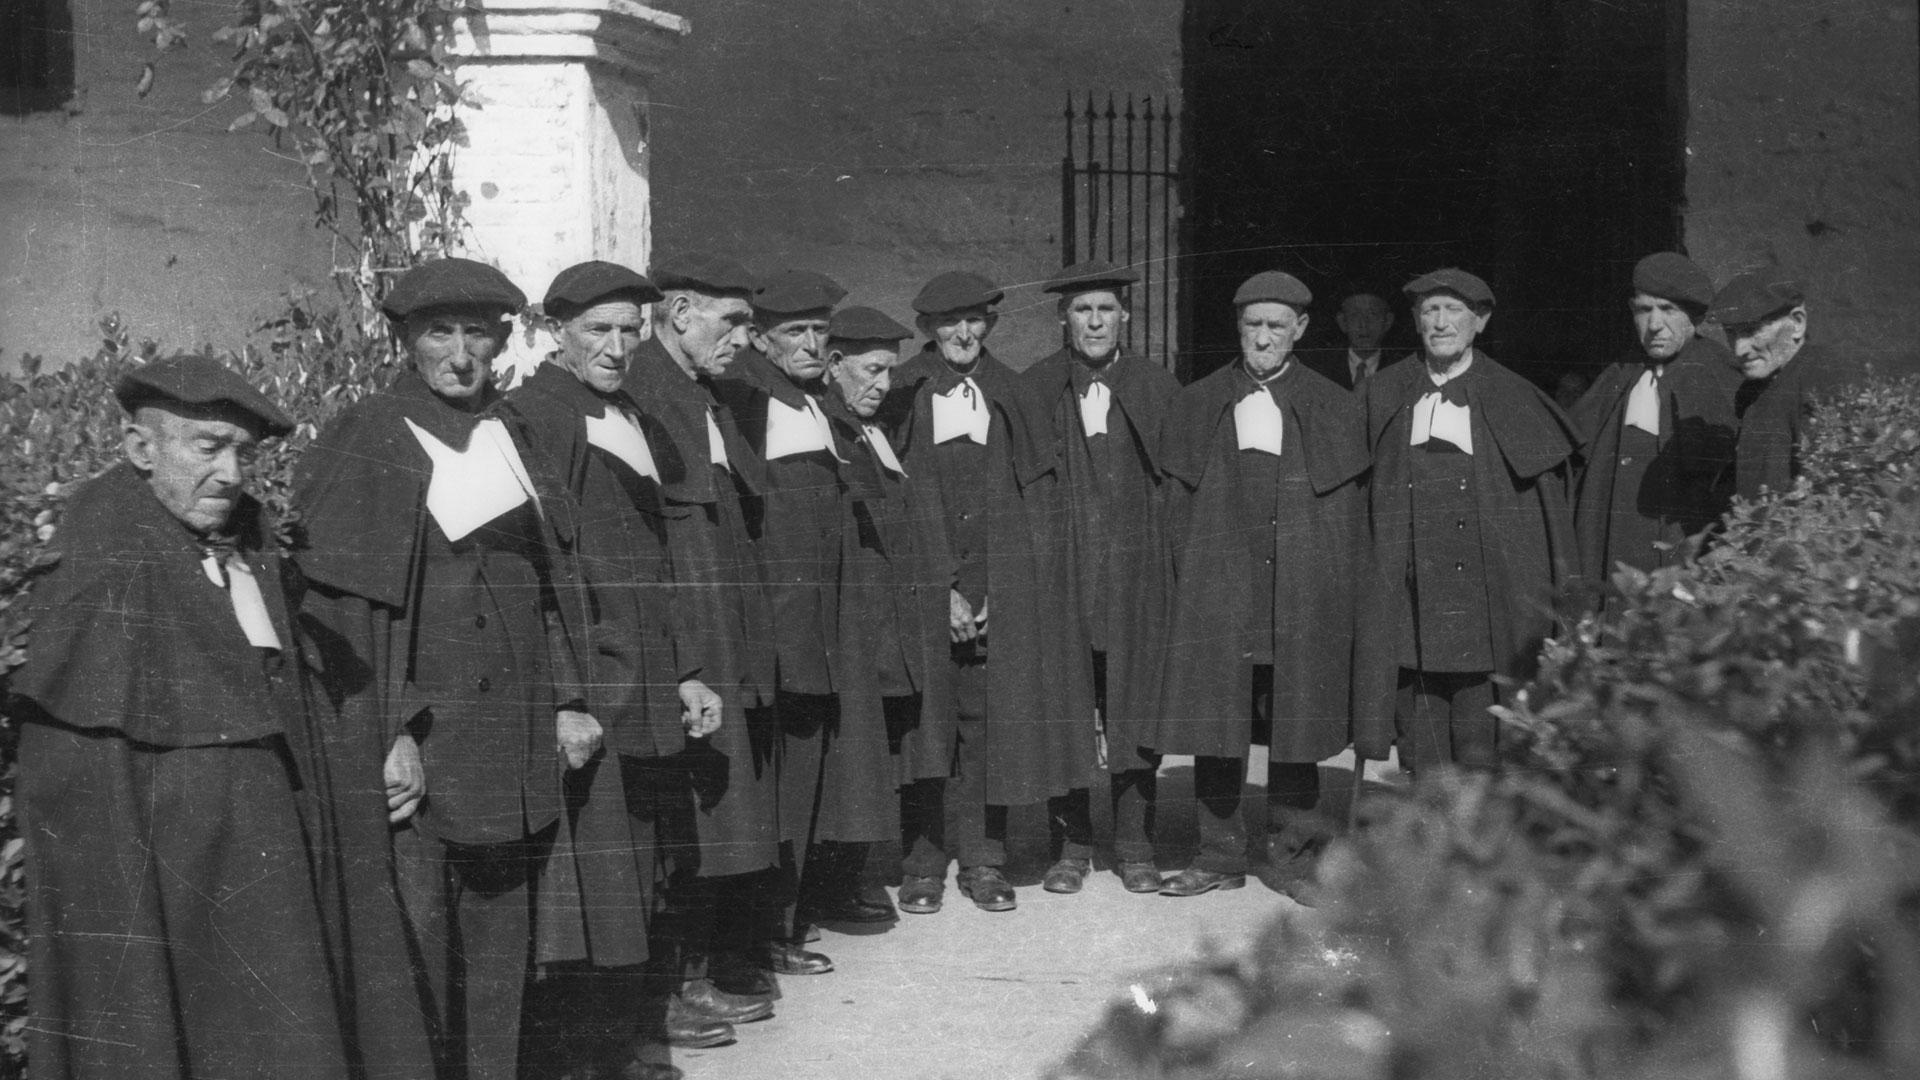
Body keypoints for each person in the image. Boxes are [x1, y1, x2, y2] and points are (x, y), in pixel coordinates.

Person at [295, 258, 597, 1080]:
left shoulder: (513, 432)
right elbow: (329, 618)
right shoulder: (369, 434)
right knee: (417, 951)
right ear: (405, 340)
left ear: (501, 342)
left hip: (512, 744)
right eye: (440, 333)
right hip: (423, 747)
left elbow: (550, 580)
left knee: (501, 949)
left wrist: (570, 698)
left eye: (478, 335)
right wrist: (384, 731)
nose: (461, 355)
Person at [13, 355, 353, 1079]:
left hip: (252, 858)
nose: (232, 474)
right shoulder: (99, 554)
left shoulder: (243, 541)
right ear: (140, 448)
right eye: (208, 448)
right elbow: (77, 778)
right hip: (170, 869)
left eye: (243, 454)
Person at [502, 260, 740, 1071]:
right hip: (595, 681)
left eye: (628, 330)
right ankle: (595, 1051)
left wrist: (687, 670)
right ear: (556, 333)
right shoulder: (539, 414)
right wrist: (569, 693)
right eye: (596, 330)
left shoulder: (627, 411)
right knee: (592, 882)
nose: (615, 345)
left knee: (642, 871)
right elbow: (546, 569)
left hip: (644, 676)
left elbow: (655, 555)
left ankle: (632, 1033)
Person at [1153, 272, 1369, 898]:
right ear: (1238, 329)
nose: (1265, 337)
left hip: (1297, 591)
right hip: (1220, 588)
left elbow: (1350, 517)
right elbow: (1174, 507)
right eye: (1254, 325)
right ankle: (1217, 855)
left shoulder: (1333, 404)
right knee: (1216, 716)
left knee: (1293, 719)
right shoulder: (1198, 402)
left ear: (1300, 329)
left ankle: (1290, 855)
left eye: (1278, 325)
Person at [885, 270, 1093, 914]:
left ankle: (982, 859)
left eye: (976, 321)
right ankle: (922, 863)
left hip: (994, 590)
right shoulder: (901, 394)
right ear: (926, 329)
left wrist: (1002, 591)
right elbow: (894, 507)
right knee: (926, 729)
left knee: (983, 727)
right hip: (922, 589)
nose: (964, 333)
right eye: (950, 322)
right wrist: (936, 591)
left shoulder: (1013, 392)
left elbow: (1037, 504)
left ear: (992, 326)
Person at [622, 252, 791, 1009]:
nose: (744, 340)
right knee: (690, 805)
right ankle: (678, 981)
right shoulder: (641, 393)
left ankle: (724, 955)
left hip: (728, 620)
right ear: (680, 311)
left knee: (729, 799)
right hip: (685, 629)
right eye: (732, 322)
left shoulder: (705, 394)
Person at [710, 268, 872, 970]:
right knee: (775, 785)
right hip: (779, 629)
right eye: (794, 333)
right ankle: (765, 933)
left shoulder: (815, 401)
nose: (811, 345)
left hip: (824, 625)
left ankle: (793, 917)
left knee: (809, 778)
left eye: (818, 333)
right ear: (764, 341)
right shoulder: (749, 398)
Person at [1357, 268, 1578, 774]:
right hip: (1411, 607)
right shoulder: (1384, 392)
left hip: (1483, 611)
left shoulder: (1514, 395)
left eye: (1453, 310)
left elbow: (1544, 522)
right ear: (1414, 322)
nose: (1439, 323)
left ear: (1480, 322)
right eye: (1429, 311)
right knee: (1422, 747)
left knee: (1482, 747)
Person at [1022, 260, 1178, 895]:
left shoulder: (1159, 388)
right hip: (1063, 572)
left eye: (1105, 310)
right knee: (1065, 706)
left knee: (1134, 705)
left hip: (1134, 574)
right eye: (1082, 311)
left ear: (1125, 317)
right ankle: (1073, 843)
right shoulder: (1035, 389)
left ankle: (1136, 841)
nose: (1094, 321)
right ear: (1063, 319)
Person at [816, 305, 956, 910]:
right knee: (858, 751)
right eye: (871, 371)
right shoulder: (827, 428)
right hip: (861, 624)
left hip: (898, 617)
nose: (883, 385)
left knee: (909, 740)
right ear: (833, 365)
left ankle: (870, 873)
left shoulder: (872, 431)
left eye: (888, 373)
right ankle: (837, 884)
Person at [1571, 253, 1742, 588]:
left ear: (1694, 316)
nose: (1653, 325)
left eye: (1667, 310)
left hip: (1677, 550)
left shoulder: (1722, 373)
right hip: (1612, 548)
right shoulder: (1621, 371)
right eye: (1643, 310)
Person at [1709, 270, 1867, 501]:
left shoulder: (1822, 375)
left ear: (1797, 323)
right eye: (1731, 333)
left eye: (1752, 330)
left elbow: (1830, 488)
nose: (1738, 349)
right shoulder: (1751, 391)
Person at [1304, 290, 1400, 392]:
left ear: (1388, 321)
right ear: (1342, 322)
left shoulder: (1401, 369)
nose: (1363, 324)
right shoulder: (1318, 368)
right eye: (1355, 315)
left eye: (1373, 314)